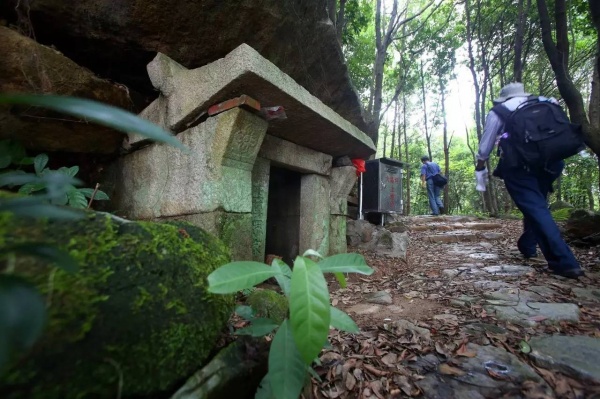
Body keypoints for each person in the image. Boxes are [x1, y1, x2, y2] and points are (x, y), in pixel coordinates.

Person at [475, 82, 584, 279]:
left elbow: (485, 149)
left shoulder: (499, 111)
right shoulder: (547, 101)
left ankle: (565, 261)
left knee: (536, 209)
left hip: (520, 167)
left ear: (504, 98)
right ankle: (527, 245)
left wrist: (480, 170)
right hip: (552, 163)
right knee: (537, 207)